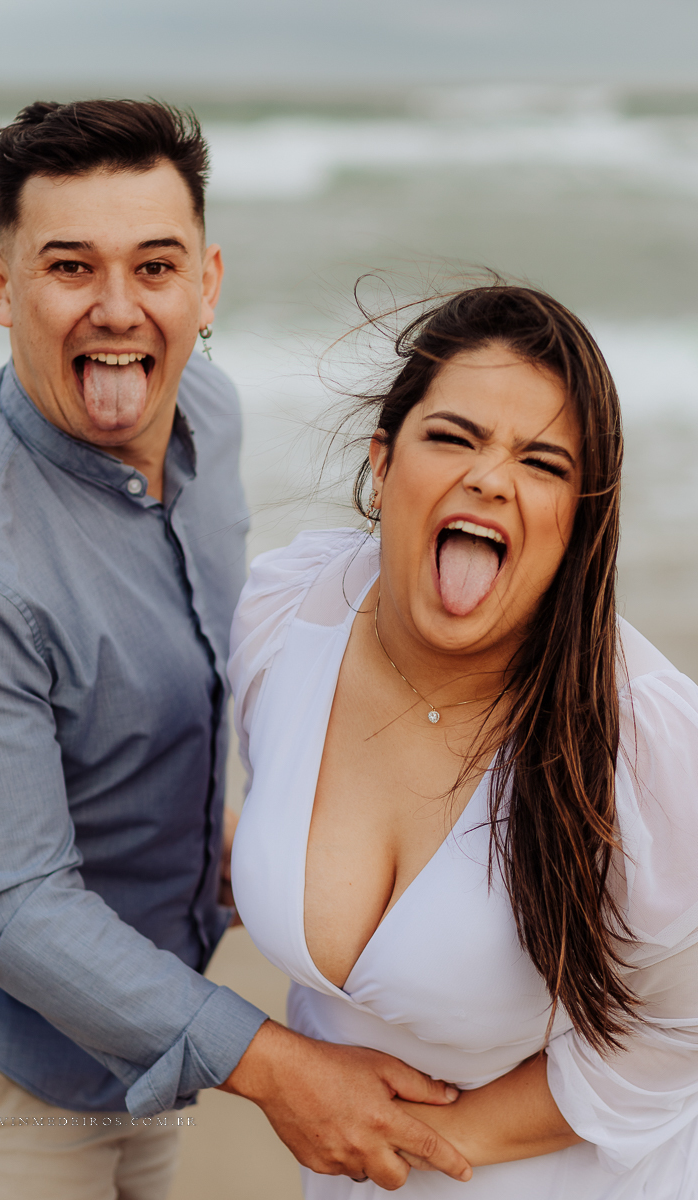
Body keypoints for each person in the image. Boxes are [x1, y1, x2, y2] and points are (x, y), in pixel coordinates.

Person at [0, 100, 468, 1199]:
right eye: (70, 266)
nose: (118, 310)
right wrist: (279, 1065)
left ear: (206, 284)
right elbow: (14, 909)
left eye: (153, 267)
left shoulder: (207, 411)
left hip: (144, 1043)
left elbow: (174, 691)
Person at [229, 284, 698, 1197]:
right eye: (453, 437)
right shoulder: (284, 619)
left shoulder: (642, 742)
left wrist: (394, 1138)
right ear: (381, 462)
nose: (490, 477)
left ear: (577, 526)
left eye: (544, 462)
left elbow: (676, 1037)